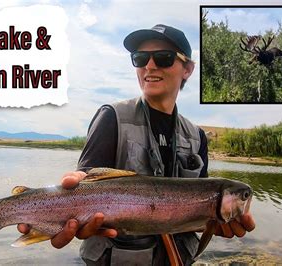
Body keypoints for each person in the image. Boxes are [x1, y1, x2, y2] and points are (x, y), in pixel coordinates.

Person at [18, 24, 255, 265]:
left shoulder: (197, 137)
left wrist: (216, 223)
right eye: (140, 58)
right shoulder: (111, 117)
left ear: (188, 69)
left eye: (163, 58)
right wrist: (75, 184)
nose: (149, 66)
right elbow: (86, 179)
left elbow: (199, 215)